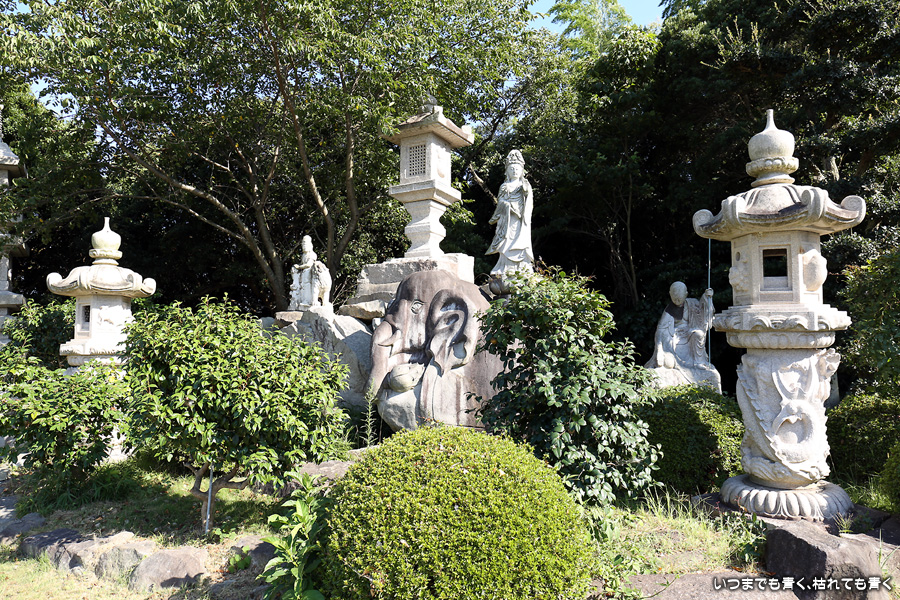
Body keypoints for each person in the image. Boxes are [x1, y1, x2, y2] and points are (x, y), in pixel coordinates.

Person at [646, 281, 721, 392]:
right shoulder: (669, 310)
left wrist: (707, 297)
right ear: (670, 295)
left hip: (690, 332)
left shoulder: (691, 303)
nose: (677, 301)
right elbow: (661, 329)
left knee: (698, 334)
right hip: (675, 337)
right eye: (675, 298)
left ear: (686, 294)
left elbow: (703, 310)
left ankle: (699, 362)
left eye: (679, 298)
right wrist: (659, 349)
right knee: (669, 355)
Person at [486, 150, 534, 287]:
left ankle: (523, 268)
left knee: (521, 242)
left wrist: (526, 192)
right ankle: (504, 267)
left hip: (520, 220)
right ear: (507, 171)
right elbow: (500, 202)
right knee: (506, 242)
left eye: (517, 168)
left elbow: (529, 200)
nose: (514, 171)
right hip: (508, 220)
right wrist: (508, 206)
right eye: (511, 168)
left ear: (522, 171)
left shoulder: (524, 185)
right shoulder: (504, 186)